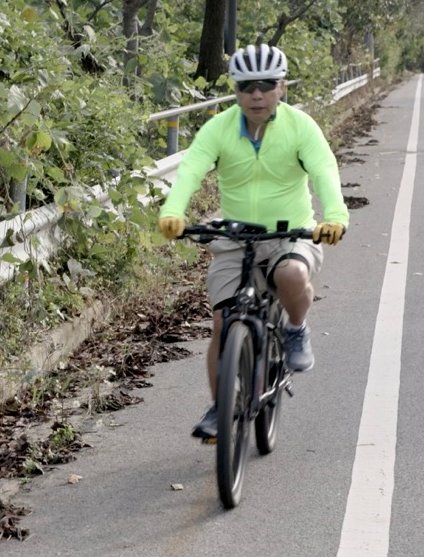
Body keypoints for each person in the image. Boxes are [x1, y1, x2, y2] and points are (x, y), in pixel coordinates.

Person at [158, 44, 349, 439]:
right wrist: (173, 211)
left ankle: (296, 327)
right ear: (236, 89)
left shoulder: (301, 127)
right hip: (235, 235)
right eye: (247, 86)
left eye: (265, 85)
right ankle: (220, 406)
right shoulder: (219, 128)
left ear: (281, 87)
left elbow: (324, 170)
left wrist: (334, 217)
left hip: (290, 234)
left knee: (293, 275)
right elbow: (191, 169)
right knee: (221, 323)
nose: (256, 94)